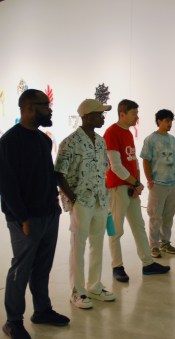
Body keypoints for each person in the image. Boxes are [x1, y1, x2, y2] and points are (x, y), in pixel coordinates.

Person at [0, 89, 69, 339]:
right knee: (21, 269)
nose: (50, 110)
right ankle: (13, 321)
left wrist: (55, 203)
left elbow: (47, 175)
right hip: (25, 219)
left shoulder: (43, 140)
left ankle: (42, 310)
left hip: (49, 213)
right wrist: (22, 218)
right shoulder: (9, 142)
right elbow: (6, 185)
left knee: (43, 267)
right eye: (45, 106)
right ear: (28, 108)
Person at [54, 99, 115, 309]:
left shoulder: (101, 141)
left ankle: (94, 286)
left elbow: (104, 170)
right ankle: (77, 291)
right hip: (81, 201)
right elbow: (59, 174)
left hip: (100, 200)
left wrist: (106, 196)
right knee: (77, 247)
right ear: (87, 116)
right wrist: (72, 199)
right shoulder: (69, 142)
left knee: (97, 244)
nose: (103, 117)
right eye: (99, 114)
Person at [103, 99, 170, 282]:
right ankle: (117, 266)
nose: (137, 117)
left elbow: (132, 161)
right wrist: (135, 183)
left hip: (130, 187)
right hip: (117, 188)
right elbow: (115, 166)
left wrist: (136, 184)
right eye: (133, 113)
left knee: (138, 226)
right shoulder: (111, 133)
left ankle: (148, 263)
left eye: (137, 113)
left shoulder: (128, 133)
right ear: (122, 114)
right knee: (116, 230)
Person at [140, 109, 175, 258]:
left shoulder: (173, 139)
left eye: (171, 121)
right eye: (167, 121)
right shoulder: (151, 139)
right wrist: (150, 182)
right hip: (158, 184)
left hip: (172, 184)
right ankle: (154, 245)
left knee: (168, 216)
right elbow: (145, 161)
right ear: (159, 121)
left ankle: (165, 243)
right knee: (155, 216)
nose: (170, 124)